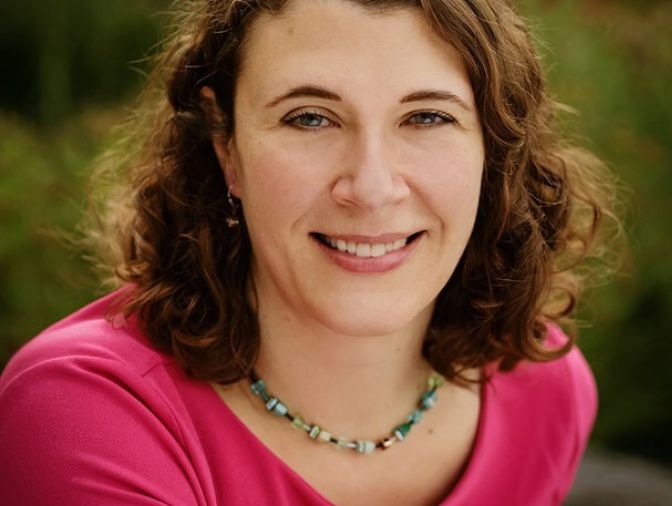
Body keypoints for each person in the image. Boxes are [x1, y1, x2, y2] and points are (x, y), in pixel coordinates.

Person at [0, 0, 619, 504]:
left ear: (492, 150)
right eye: (310, 119)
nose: (372, 188)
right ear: (226, 146)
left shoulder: (545, 390)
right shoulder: (88, 417)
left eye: (427, 118)